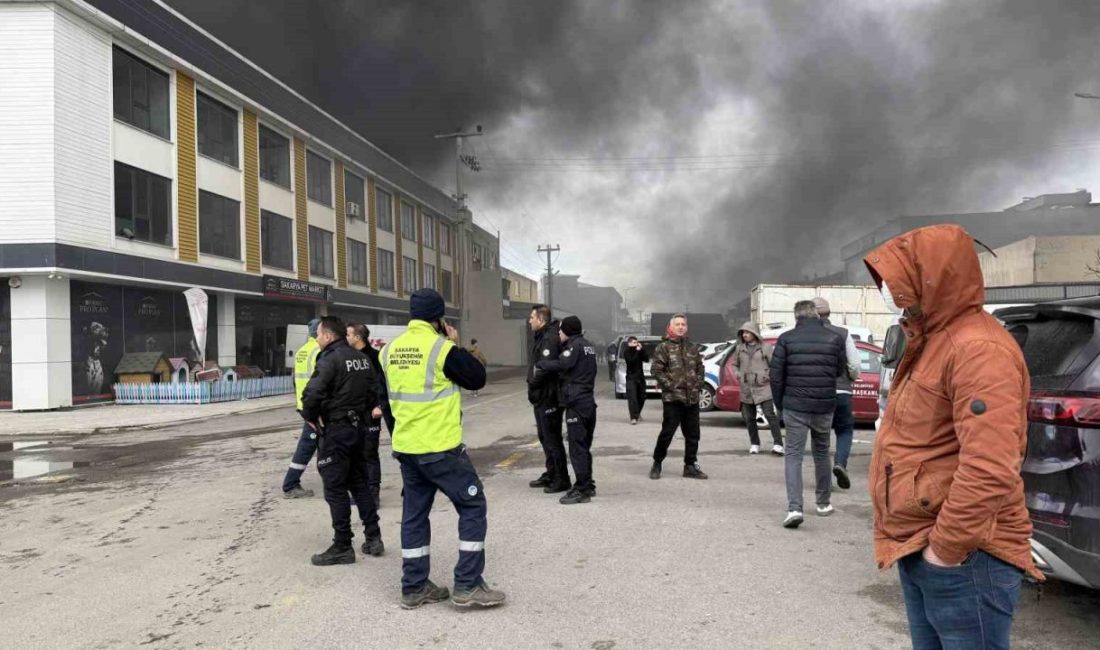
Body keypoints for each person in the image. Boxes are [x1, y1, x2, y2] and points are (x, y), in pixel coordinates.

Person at [864, 224, 1040, 648]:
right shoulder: (934, 339)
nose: (890, 288)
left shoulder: (977, 349)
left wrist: (944, 550)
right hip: (924, 543)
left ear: (933, 276)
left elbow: (991, 466)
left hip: (965, 556)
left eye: (899, 278)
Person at [382, 288, 505, 610]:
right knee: (473, 506)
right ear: (439, 319)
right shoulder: (441, 349)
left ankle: (414, 586)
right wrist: (454, 343)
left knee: (414, 516)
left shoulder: (389, 350)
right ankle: (467, 584)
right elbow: (476, 378)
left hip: (407, 448)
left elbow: (386, 399)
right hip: (440, 448)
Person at [299, 316, 385, 565]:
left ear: (328, 336)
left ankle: (342, 545)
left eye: (318, 334)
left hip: (336, 431)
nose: (316, 338)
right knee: (359, 483)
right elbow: (373, 393)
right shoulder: (361, 359)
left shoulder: (329, 358)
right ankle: (373, 536)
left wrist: (310, 417)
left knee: (335, 488)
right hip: (358, 429)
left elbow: (313, 393)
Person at [769, 301, 846, 529]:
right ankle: (823, 503)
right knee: (822, 452)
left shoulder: (786, 339)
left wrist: (779, 403)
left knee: (793, 455)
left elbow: (776, 375)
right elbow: (839, 370)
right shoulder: (834, 338)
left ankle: (794, 508)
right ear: (816, 314)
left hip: (795, 405)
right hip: (824, 405)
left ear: (796, 316)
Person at [535, 315, 598, 505]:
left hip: (576, 404)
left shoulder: (574, 346)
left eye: (561, 330)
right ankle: (588, 484)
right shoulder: (588, 345)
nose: (559, 333)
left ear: (568, 331)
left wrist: (541, 364)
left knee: (577, 448)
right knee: (584, 447)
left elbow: (563, 364)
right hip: (587, 401)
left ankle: (582, 489)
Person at [649, 314, 708, 480]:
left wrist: (698, 385)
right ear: (671, 327)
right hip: (673, 400)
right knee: (667, 433)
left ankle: (690, 465)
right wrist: (670, 386)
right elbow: (657, 370)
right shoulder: (664, 347)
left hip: (692, 399)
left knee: (693, 434)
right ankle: (657, 462)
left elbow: (700, 368)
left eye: (683, 324)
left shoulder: (692, 347)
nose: (681, 327)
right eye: (678, 324)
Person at [811, 298, 861, 490]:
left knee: (819, 436)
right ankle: (840, 463)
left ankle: (823, 480)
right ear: (828, 313)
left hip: (817, 392)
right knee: (844, 430)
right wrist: (851, 378)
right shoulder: (843, 333)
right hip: (841, 391)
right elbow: (855, 364)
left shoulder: (807, 335)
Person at [346, 322, 395, 510]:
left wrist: (380, 406)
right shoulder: (349, 357)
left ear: (358, 337)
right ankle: (361, 493)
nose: (346, 337)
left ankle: (374, 494)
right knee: (356, 454)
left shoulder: (375, 357)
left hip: (371, 412)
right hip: (353, 414)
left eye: (349, 334)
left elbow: (384, 384)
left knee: (369, 453)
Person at [526, 305, 570, 493]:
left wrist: (533, 385)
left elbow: (546, 368)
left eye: (532, 317)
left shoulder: (549, 338)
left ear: (541, 320)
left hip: (549, 396)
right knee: (545, 437)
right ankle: (551, 473)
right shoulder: (543, 336)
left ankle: (561, 479)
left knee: (552, 438)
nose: (530, 321)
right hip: (541, 396)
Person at [282, 318, 321, 499]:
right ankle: (290, 484)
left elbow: (296, 380)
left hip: (304, 406)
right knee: (307, 446)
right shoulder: (319, 351)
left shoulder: (302, 351)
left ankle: (332, 481)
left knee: (320, 444)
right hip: (315, 409)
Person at [732, 321, 784, 456]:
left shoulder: (766, 347)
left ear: (755, 333)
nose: (745, 335)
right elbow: (734, 364)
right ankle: (754, 443)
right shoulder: (739, 348)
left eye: (748, 332)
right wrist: (737, 373)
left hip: (763, 387)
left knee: (770, 415)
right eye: (743, 332)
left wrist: (767, 376)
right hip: (746, 387)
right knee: (749, 418)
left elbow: (774, 365)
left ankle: (778, 444)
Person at [622, 336, 649, 424]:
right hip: (631, 378)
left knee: (642, 397)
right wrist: (637, 351)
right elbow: (631, 361)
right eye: (634, 343)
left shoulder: (639, 351)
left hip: (640, 377)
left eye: (636, 342)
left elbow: (646, 359)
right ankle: (633, 418)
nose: (636, 344)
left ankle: (637, 413)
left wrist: (642, 350)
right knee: (632, 398)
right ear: (629, 343)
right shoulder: (626, 352)